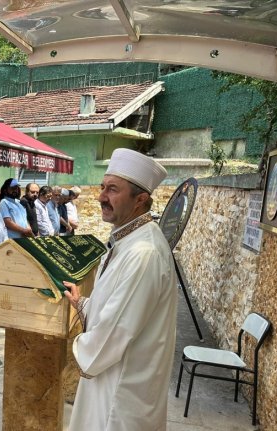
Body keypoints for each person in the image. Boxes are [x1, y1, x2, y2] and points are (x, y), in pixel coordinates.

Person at [63, 148, 176, 431]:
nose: (101, 196)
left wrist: (70, 348)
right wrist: (83, 304)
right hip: (109, 384)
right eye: (102, 187)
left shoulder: (143, 253)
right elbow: (118, 309)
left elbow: (112, 336)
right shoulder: (128, 240)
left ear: (140, 200)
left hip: (119, 397)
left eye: (112, 189)